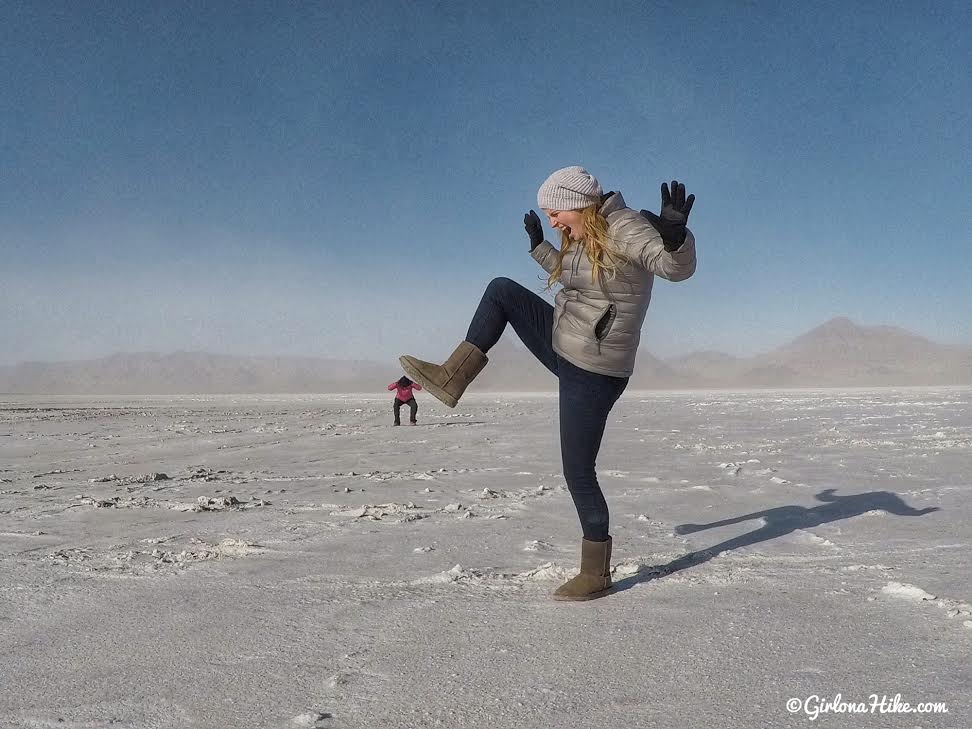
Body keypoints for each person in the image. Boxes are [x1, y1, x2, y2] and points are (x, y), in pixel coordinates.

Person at [400, 166, 697, 600]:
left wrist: (675, 237)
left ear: (579, 204)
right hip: (564, 338)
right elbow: (570, 271)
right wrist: (540, 245)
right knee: (502, 289)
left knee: (578, 471)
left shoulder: (627, 227)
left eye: (556, 213)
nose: (555, 221)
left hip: (594, 368)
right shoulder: (583, 233)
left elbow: (672, 266)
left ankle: (595, 573)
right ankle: (451, 376)